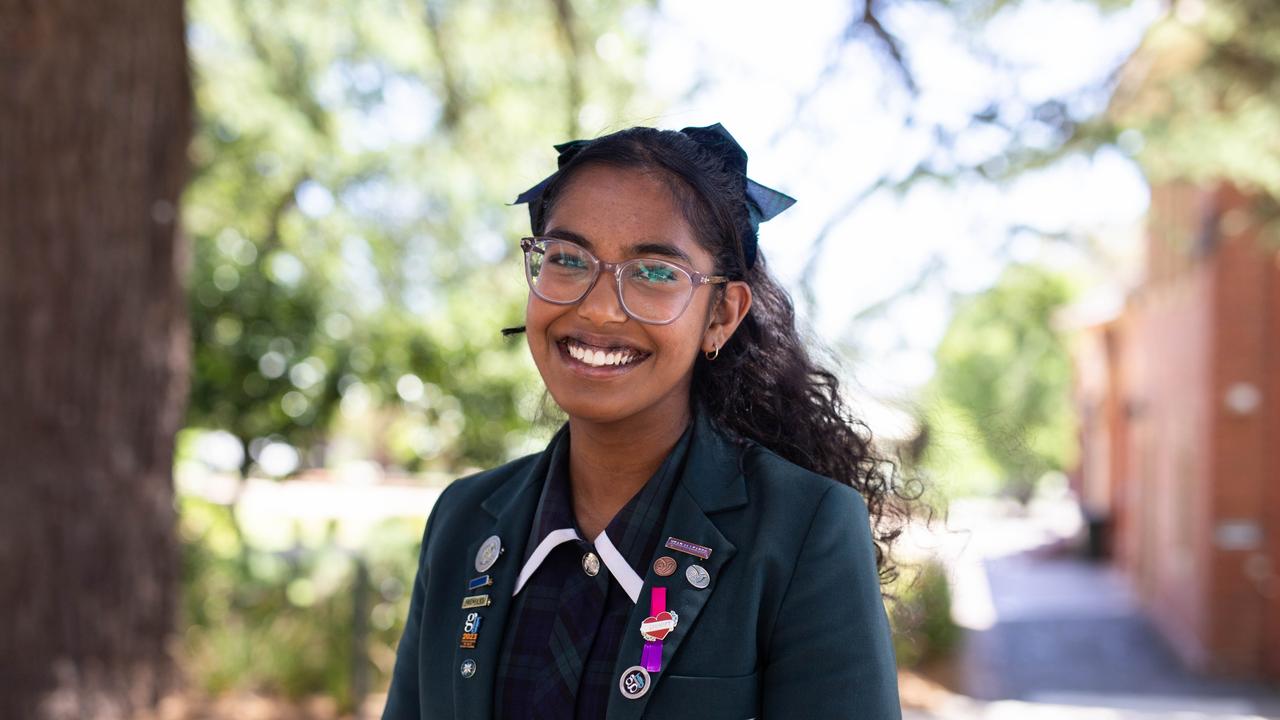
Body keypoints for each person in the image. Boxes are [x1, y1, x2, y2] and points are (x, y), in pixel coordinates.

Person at [382, 123, 908, 719]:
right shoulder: (462, 520)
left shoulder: (803, 531)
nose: (599, 308)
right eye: (567, 259)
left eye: (656, 272)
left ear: (721, 316)